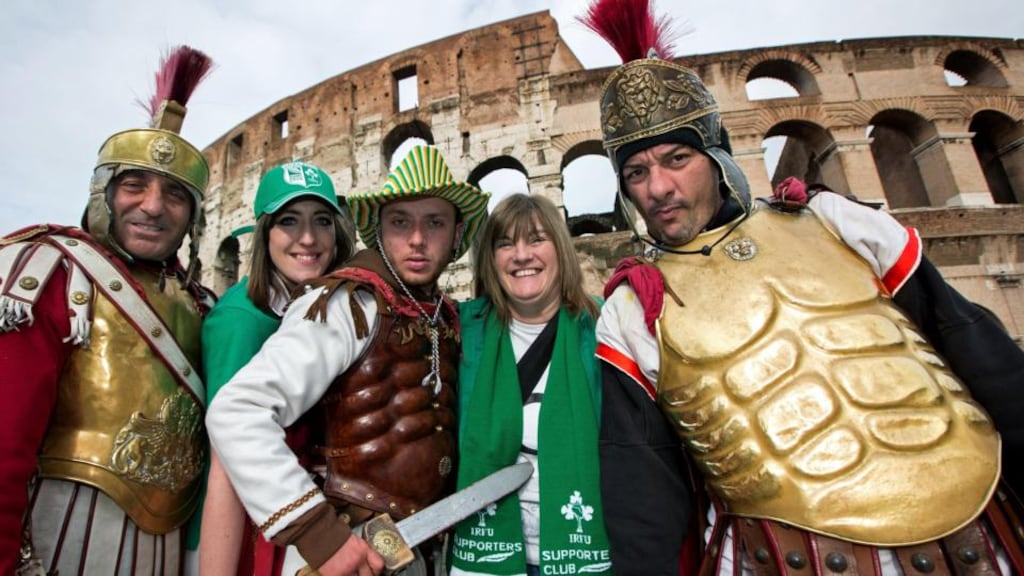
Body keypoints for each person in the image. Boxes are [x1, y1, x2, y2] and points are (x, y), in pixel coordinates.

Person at [578, 0, 1024, 574]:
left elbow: (977, 350)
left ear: (715, 156)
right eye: (636, 173)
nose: (658, 186)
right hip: (791, 557)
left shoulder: (832, 220)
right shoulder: (634, 305)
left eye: (677, 158)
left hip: (978, 537)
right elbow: (642, 488)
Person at [206, 145, 490, 575]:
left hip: (424, 545)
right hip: (350, 547)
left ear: (457, 235)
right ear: (378, 232)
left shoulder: (442, 312)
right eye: (400, 222)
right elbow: (237, 412)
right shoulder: (345, 302)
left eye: (434, 222)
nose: (416, 239)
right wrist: (321, 537)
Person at [0, 46, 216, 574]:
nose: (153, 206)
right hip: (58, 538)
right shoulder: (51, 273)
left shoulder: (202, 305)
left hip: (171, 550)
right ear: (104, 193)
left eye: (175, 195)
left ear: (192, 215)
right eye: (134, 185)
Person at [196, 161, 354, 575]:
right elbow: (224, 465)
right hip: (255, 536)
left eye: (322, 220)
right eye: (289, 222)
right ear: (264, 234)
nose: (307, 238)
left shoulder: (309, 307)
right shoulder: (242, 318)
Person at [450, 193, 612, 576]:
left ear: (560, 248)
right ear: (490, 259)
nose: (521, 255)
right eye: (505, 244)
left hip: (589, 544)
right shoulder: (460, 329)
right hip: (487, 552)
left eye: (536, 239)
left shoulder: (607, 328)